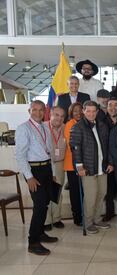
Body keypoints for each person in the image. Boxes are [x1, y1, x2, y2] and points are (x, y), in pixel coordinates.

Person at [15, 100, 59, 255]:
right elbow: (20, 156)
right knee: (39, 206)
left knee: (45, 203)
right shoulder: (23, 129)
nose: (38, 113)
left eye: (41, 110)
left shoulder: (45, 127)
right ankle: (33, 242)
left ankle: (40, 233)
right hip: (34, 171)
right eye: (35, 110)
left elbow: (49, 152)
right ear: (29, 111)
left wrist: (52, 173)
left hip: (46, 168)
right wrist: (29, 177)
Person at [70, 100, 114, 234]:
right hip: (88, 168)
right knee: (90, 196)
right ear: (83, 111)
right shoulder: (78, 127)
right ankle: (88, 222)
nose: (91, 113)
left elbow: (108, 146)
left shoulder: (102, 126)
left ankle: (97, 218)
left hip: (102, 166)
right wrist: (79, 167)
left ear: (97, 112)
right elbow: (75, 148)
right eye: (88, 111)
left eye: (93, 111)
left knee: (102, 193)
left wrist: (110, 162)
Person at [44, 106, 66, 231]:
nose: (59, 118)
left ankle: (57, 218)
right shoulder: (43, 127)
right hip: (46, 164)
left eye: (62, 116)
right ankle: (46, 220)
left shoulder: (65, 128)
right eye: (56, 115)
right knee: (46, 193)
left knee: (57, 192)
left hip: (60, 164)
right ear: (50, 114)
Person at [63, 102, 84, 226]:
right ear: (71, 113)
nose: (78, 113)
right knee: (75, 192)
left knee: (82, 191)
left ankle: (83, 214)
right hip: (72, 165)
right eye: (75, 111)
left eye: (80, 110)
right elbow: (72, 145)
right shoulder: (69, 125)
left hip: (83, 164)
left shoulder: (84, 124)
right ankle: (77, 217)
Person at [102, 97, 117, 222]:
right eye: (110, 105)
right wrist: (109, 162)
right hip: (107, 161)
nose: (113, 108)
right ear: (106, 107)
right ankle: (110, 212)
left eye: (116, 105)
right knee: (108, 189)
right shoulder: (101, 122)